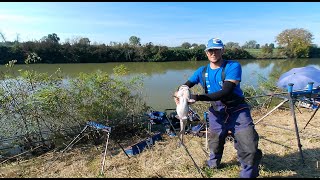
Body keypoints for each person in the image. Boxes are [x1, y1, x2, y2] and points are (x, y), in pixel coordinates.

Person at [173, 38, 262, 178]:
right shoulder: (201, 71)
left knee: (249, 145)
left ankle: (248, 174)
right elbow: (185, 85)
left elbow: (226, 91)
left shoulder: (233, 66)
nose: (213, 53)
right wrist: (179, 93)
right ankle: (213, 165)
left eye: (217, 49)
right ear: (206, 53)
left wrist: (197, 98)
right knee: (214, 141)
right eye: (210, 50)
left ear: (222, 50)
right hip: (216, 111)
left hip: (238, 110)